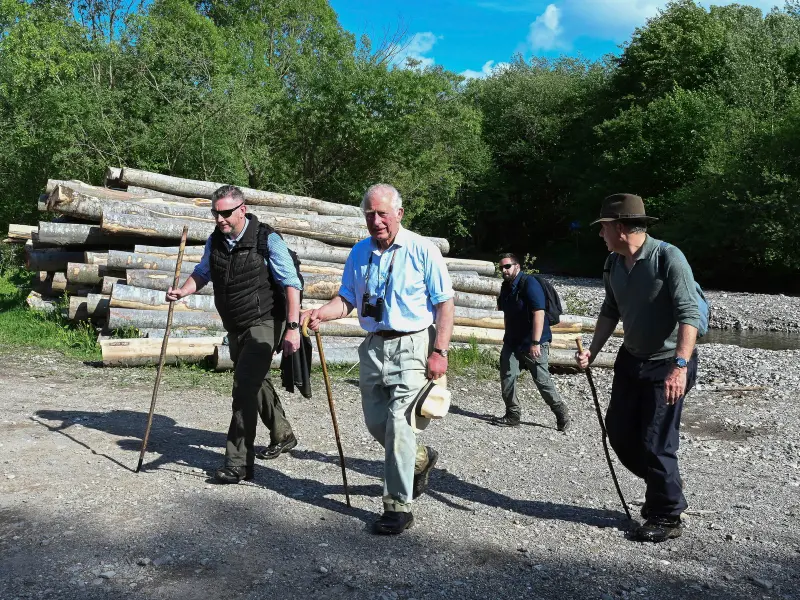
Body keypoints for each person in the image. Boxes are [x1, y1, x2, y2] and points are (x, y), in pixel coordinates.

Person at [303, 183, 455, 535]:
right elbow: (347, 299)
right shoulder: (359, 253)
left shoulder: (422, 250)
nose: (376, 220)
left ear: (399, 213)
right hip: (373, 346)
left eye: (382, 213)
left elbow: (445, 304)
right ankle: (419, 460)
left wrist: (440, 351)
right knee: (377, 423)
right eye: (369, 214)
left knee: (400, 424)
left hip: (413, 344)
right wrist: (322, 314)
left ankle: (397, 506)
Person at [575, 193, 700, 543]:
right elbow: (609, 311)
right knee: (618, 430)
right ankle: (666, 486)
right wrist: (593, 352)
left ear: (619, 227)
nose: (600, 235)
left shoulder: (668, 258)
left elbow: (690, 314)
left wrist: (681, 366)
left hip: (667, 363)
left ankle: (667, 514)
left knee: (655, 440)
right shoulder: (613, 264)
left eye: (603, 228)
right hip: (631, 360)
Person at [166, 185, 302, 484]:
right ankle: (282, 432)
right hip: (236, 323)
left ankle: (238, 463)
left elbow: (291, 284)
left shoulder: (268, 240)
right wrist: (183, 290)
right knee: (255, 379)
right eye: (216, 213)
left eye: (226, 213)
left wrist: (293, 329)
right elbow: (203, 272)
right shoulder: (216, 242)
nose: (220, 219)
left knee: (243, 386)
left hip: (266, 321)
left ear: (243, 209)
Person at [493, 253, 571, 431]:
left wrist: (535, 342)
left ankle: (561, 412)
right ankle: (512, 415)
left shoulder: (530, 284)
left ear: (517, 266)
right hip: (512, 341)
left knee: (542, 380)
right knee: (507, 376)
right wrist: (507, 336)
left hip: (533, 342)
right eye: (501, 268)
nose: (504, 270)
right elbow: (507, 313)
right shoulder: (506, 287)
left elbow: (539, 313)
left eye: (507, 266)